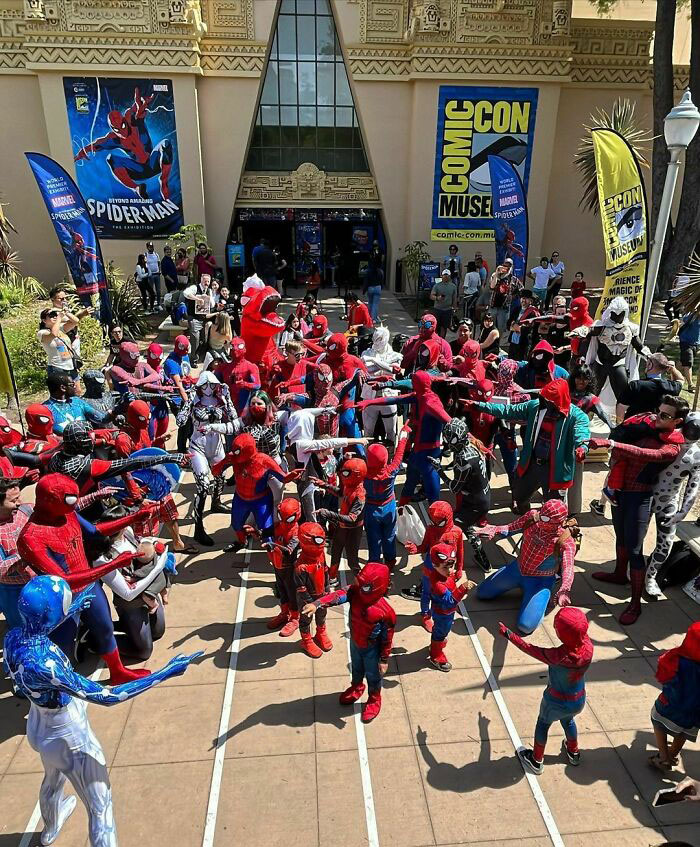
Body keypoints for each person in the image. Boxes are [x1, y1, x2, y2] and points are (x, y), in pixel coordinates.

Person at [4, 574, 199, 847]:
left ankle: (49, 830)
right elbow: (109, 696)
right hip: (67, 734)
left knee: (53, 780)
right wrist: (165, 673)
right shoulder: (47, 666)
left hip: (38, 726)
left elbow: (40, 626)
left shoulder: (13, 637)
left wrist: (72, 609)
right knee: (100, 808)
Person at [592, 395, 688, 624]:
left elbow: (646, 455)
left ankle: (635, 603)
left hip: (639, 496)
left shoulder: (672, 446)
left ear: (678, 422)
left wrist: (613, 444)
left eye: (665, 416)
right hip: (619, 490)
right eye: (658, 411)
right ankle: (618, 573)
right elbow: (624, 433)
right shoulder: (644, 424)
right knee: (621, 537)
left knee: (635, 549)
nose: (658, 417)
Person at [470, 378, 589, 512]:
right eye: (544, 398)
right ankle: (526, 517)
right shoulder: (535, 407)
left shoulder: (576, 416)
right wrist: (479, 405)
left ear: (559, 401)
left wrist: (582, 446)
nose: (544, 403)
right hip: (532, 464)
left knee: (553, 507)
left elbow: (582, 431)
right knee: (519, 496)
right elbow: (508, 410)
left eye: (549, 401)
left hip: (554, 469)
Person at [500, 607, 593, 774]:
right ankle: (573, 752)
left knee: (543, 724)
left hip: (555, 702)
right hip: (578, 700)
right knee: (568, 721)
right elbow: (579, 631)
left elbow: (528, 648)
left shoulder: (557, 656)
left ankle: (536, 760)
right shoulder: (588, 647)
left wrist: (508, 634)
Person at [302, 562, 395, 722]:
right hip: (356, 643)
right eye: (359, 582)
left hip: (372, 649)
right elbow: (338, 595)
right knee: (357, 668)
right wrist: (317, 604)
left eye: (364, 586)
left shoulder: (386, 613)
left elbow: (387, 639)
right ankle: (357, 687)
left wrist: (384, 659)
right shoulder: (355, 592)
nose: (359, 587)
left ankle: (374, 699)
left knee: (374, 676)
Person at [476, 500, 576, 634]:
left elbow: (568, 566)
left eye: (546, 518)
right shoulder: (533, 517)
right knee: (482, 593)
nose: (541, 519)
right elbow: (510, 528)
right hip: (516, 570)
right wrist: (495, 529)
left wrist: (564, 588)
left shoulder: (565, 541)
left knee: (526, 626)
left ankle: (541, 598)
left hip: (540, 582)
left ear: (559, 522)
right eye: (541, 513)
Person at [645, 413, 700, 598]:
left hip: (668, 501)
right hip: (645, 494)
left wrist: (683, 512)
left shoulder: (696, 455)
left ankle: (651, 576)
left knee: (666, 543)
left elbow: (693, 486)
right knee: (635, 537)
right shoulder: (666, 437)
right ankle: (634, 567)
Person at [648, 622, 700, 772]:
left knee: (657, 721)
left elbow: (663, 675)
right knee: (683, 731)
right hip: (694, 713)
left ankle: (663, 757)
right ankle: (673, 753)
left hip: (671, 705)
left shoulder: (676, 660)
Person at [426, 542, 474, 672]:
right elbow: (450, 601)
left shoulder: (444, 576)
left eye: (451, 566)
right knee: (440, 633)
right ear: (435, 565)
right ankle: (436, 655)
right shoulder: (438, 585)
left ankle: (437, 644)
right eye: (445, 568)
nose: (449, 571)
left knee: (442, 631)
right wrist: (462, 589)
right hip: (442, 613)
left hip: (447, 613)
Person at [0, 477, 34, 628]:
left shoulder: (26, 511)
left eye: (19, 497)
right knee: (21, 631)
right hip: (13, 592)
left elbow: (59, 507)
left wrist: (93, 496)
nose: (19, 503)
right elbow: (1, 569)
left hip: (37, 583)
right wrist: (26, 553)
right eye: (13, 501)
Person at [44, 372, 110, 434]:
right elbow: (46, 437)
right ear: (63, 388)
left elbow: (102, 419)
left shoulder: (77, 401)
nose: (75, 387)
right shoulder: (46, 409)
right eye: (72, 384)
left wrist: (115, 411)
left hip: (88, 443)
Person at [38, 308, 80, 382]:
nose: (54, 317)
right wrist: (59, 318)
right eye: (51, 315)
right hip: (57, 367)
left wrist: (65, 311)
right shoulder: (42, 333)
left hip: (70, 365)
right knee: (62, 392)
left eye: (55, 315)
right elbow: (54, 334)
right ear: (44, 320)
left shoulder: (60, 329)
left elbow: (75, 321)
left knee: (77, 391)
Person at [183, 271, 212, 364]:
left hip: (204, 318)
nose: (206, 283)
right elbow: (186, 293)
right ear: (201, 280)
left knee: (204, 340)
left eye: (208, 282)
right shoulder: (195, 288)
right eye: (205, 281)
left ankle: (200, 357)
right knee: (195, 339)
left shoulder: (209, 291)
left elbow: (212, 304)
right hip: (194, 318)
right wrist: (198, 299)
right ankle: (193, 360)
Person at [430, 269, 458, 338]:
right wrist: (437, 298)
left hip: (447, 310)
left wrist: (454, 308)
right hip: (438, 309)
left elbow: (454, 298)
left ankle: (442, 341)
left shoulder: (453, 286)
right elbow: (431, 296)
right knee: (436, 327)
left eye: (447, 275)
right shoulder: (437, 286)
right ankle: (435, 340)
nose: (445, 277)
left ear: (450, 276)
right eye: (444, 275)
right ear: (441, 276)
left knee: (444, 327)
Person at [678, 310, 700, 390]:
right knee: (688, 364)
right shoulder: (690, 316)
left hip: (696, 344)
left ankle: (671, 371)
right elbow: (680, 324)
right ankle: (690, 385)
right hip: (686, 342)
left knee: (683, 362)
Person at [364, 241, 384, 322]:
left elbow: (366, 280)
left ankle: (370, 317)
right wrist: (381, 287)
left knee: (370, 303)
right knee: (375, 304)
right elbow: (382, 280)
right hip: (378, 287)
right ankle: (374, 318)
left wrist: (364, 289)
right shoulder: (380, 271)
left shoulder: (369, 271)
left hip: (370, 287)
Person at [144, 241, 161, 310]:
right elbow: (144, 264)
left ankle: (159, 303)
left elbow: (159, 263)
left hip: (157, 274)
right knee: (151, 290)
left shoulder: (156, 254)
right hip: (150, 275)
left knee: (158, 290)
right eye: (150, 247)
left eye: (152, 246)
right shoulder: (145, 255)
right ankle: (151, 304)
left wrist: (159, 270)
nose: (151, 248)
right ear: (147, 247)